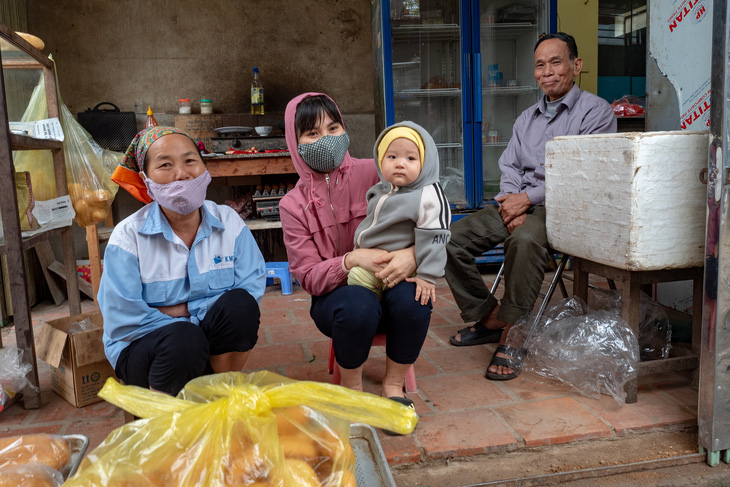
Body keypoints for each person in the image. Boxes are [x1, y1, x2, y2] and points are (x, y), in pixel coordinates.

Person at [445, 32, 617, 380]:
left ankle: (516, 330)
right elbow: (509, 166)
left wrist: (527, 200)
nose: (547, 71)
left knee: (524, 241)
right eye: (540, 65)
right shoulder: (526, 118)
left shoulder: (596, 113)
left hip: (565, 209)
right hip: (519, 204)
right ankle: (491, 316)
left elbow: (582, 175)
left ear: (576, 65)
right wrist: (512, 202)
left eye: (556, 61)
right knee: (449, 238)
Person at [279, 93, 431, 411]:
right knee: (358, 305)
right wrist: (350, 260)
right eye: (312, 133)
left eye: (333, 128)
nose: (326, 139)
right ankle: (352, 390)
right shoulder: (292, 205)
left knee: (415, 299)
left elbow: (427, 212)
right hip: (336, 298)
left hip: (390, 278)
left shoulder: (377, 172)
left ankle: (393, 385)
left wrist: (415, 254)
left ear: (345, 129)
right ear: (296, 143)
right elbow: (308, 276)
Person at [100, 126, 266, 395]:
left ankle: (218, 392)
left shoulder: (229, 222)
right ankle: (166, 412)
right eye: (165, 165)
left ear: (204, 168)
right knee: (184, 341)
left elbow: (252, 286)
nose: (181, 173)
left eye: (190, 161)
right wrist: (194, 323)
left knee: (240, 307)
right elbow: (124, 318)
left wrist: (181, 309)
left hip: (203, 344)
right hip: (144, 347)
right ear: (146, 179)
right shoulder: (128, 237)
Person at [349, 121, 451, 306]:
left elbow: (436, 236)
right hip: (373, 264)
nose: (400, 164)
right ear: (380, 160)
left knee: (406, 301)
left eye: (410, 158)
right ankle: (374, 311)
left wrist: (428, 275)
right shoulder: (379, 190)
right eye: (392, 156)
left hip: (403, 267)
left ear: (425, 162)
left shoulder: (427, 195)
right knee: (356, 283)